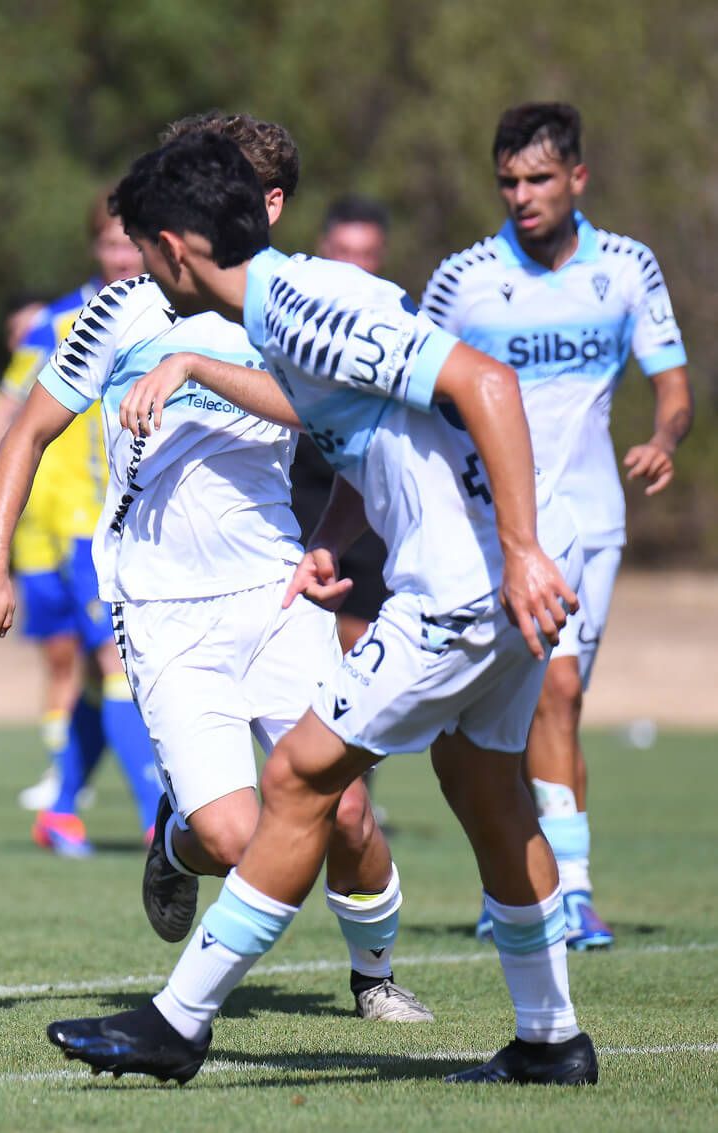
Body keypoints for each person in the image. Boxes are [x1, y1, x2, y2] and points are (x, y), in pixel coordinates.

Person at [34, 130, 593, 1085]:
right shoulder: (290, 307)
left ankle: (178, 1023)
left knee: (300, 779)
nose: (135, 274)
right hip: (499, 561)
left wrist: (519, 548)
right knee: (485, 789)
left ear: (175, 246)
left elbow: (483, 382)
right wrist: (338, 535)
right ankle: (551, 1041)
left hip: (467, 575)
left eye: (142, 251)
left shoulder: (295, 307)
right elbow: (360, 428)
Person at [0, 113, 429, 1024]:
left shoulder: (307, 303)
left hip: (276, 590)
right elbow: (27, 430)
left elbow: (344, 419)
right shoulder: (122, 309)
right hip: (162, 606)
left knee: (345, 812)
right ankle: (177, 843)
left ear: (268, 205)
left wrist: (328, 536)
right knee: (234, 835)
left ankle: (374, 976)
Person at [422, 102, 692, 951]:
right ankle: (565, 889)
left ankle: (522, 877)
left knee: (553, 707)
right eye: (508, 181)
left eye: (538, 178)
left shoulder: (627, 267)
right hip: (503, 526)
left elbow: (673, 384)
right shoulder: (463, 278)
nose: (521, 195)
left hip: (597, 520)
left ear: (578, 177)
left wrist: (661, 437)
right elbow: (415, 384)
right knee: (553, 693)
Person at [0, 195, 163, 855]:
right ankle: (158, 822)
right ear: (94, 247)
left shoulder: (170, 313)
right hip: (69, 526)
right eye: (110, 244)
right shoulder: (59, 323)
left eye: (131, 243)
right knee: (111, 663)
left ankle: (60, 809)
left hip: (127, 518)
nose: (121, 256)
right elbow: (3, 418)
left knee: (97, 671)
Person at [289, 196, 397, 652]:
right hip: (300, 504)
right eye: (343, 253)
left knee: (367, 645)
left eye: (365, 254)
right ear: (322, 250)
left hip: (373, 508)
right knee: (303, 644)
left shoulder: (401, 328)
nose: (353, 268)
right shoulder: (286, 325)